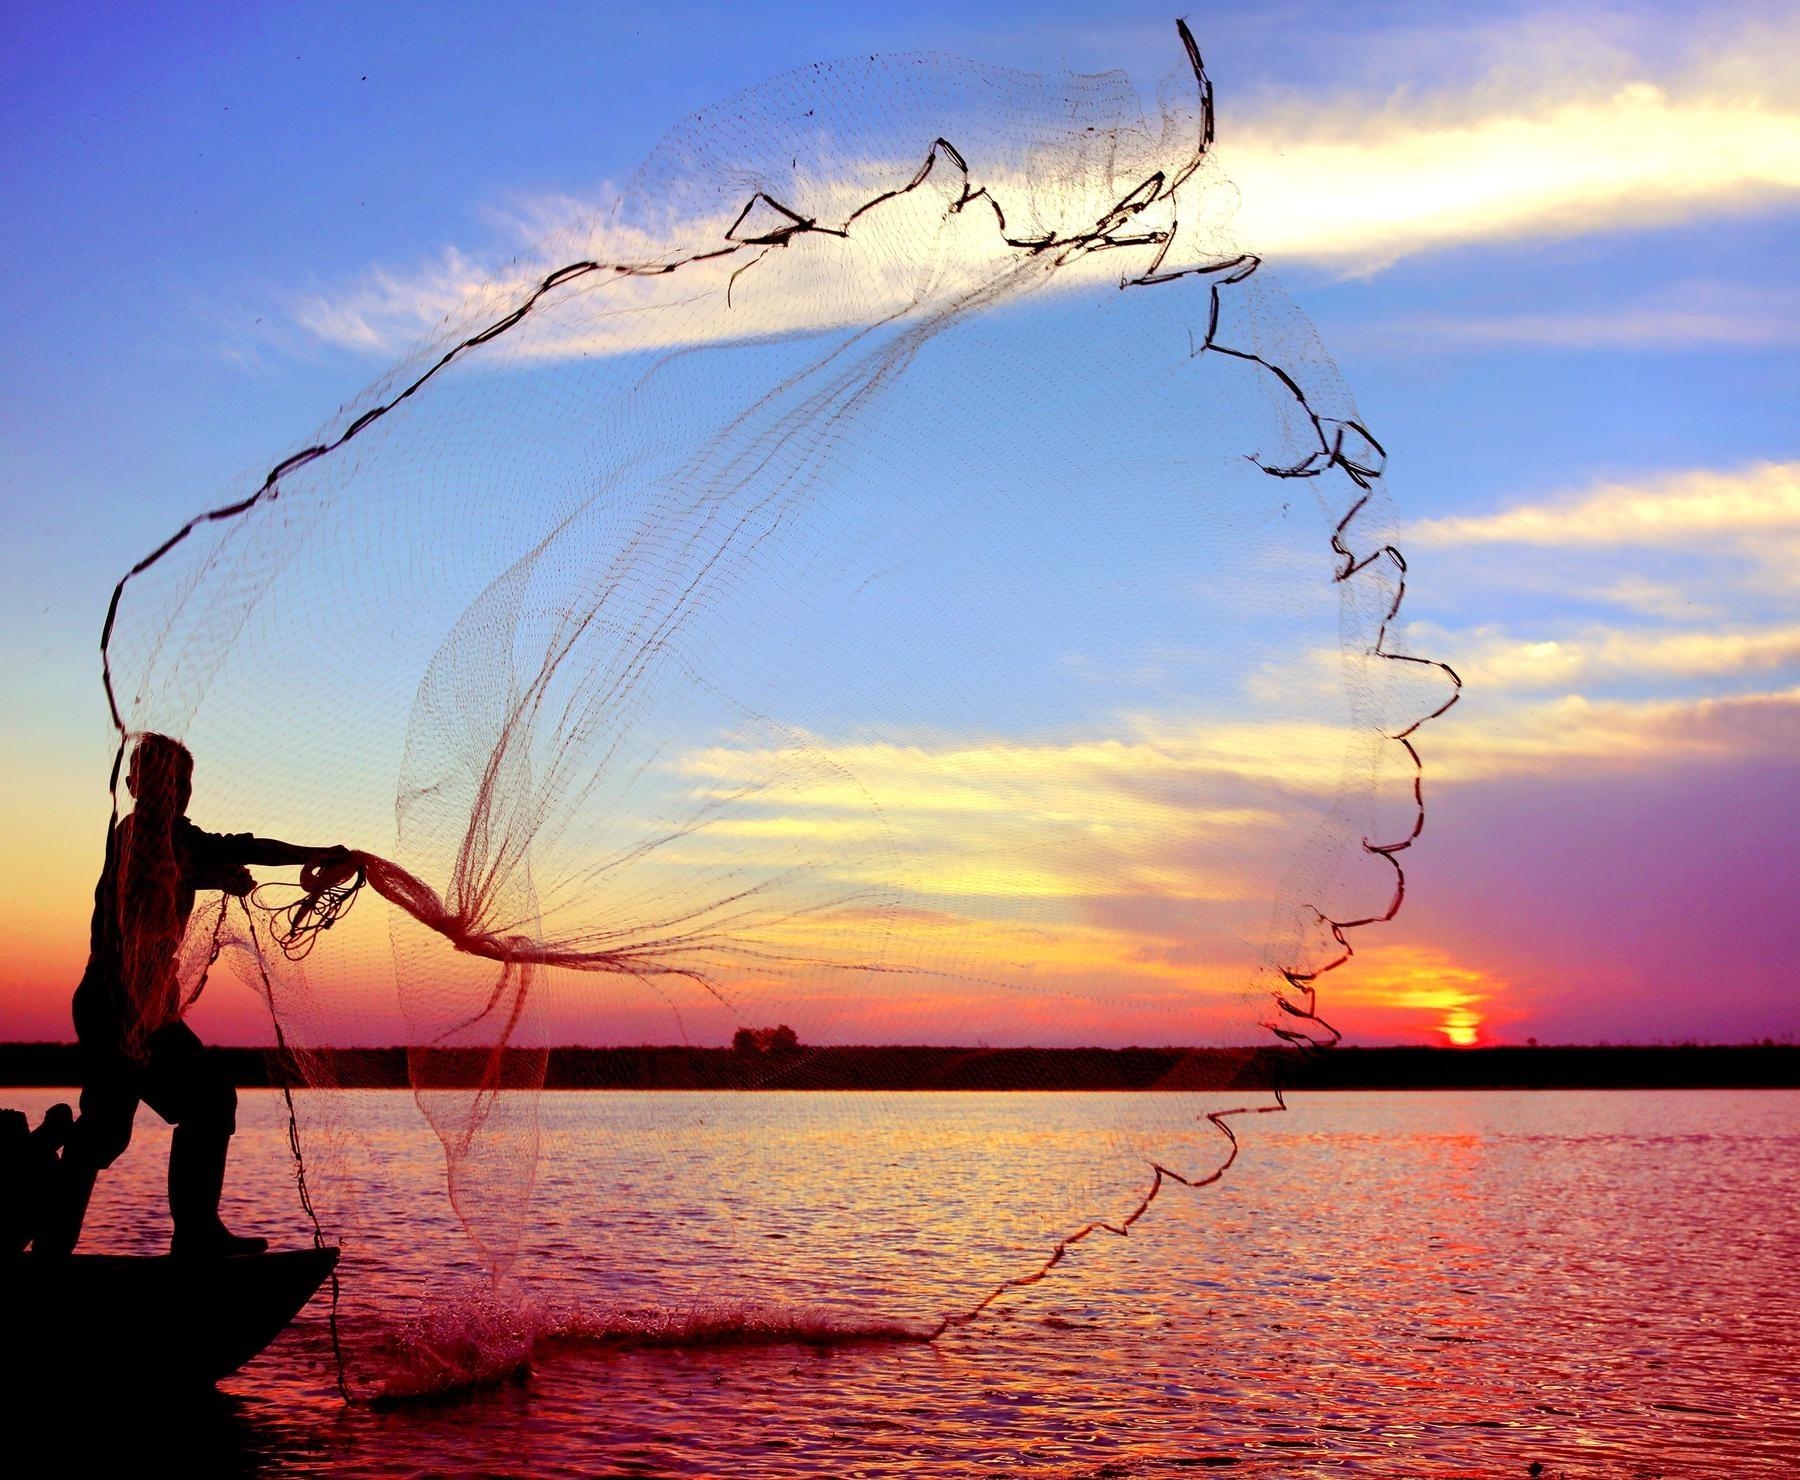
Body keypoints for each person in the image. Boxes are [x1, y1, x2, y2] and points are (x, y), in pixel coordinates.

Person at [36, 733, 349, 1258]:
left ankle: (56, 1248)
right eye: (160, 782)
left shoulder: (179, 837)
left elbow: (231, 848)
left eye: (181, 783)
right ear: (135, 785)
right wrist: (220, 872)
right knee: (202, 1099)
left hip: (132, 1006)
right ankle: (188, 1236)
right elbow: (191, 859)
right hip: (117, 1003)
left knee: (107, 1132)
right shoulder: (135, 833)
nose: (172, 792)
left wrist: (308, 856)